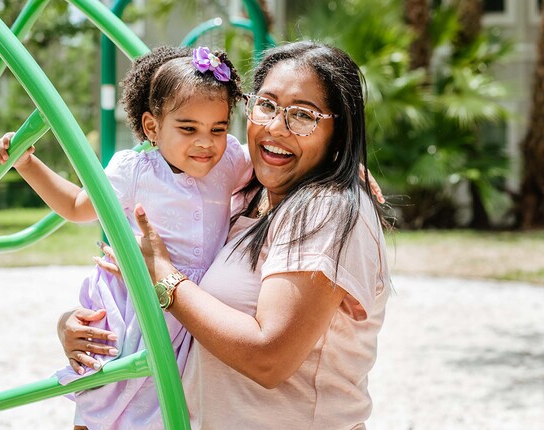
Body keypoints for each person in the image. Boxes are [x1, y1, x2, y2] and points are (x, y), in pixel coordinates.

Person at [62, 41, 391, 429]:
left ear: (340, 130)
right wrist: (79, 328)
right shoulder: (243, 200)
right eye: (266, 105)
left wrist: (163, 275)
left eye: (302, 116)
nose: (275, 127)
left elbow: (269, 358)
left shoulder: (326, 209)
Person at [0, 46, 249, 429]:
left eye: (219, 128)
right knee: (110, 393)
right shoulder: (135, 170)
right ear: (152, 127)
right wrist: (28, 164)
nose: (205, 142)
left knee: (173, 405)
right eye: (188, 128)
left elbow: (277, 166)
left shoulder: (230, 160)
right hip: (137, 300)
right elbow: (78, 206)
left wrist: (349, 173)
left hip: (190, 303)